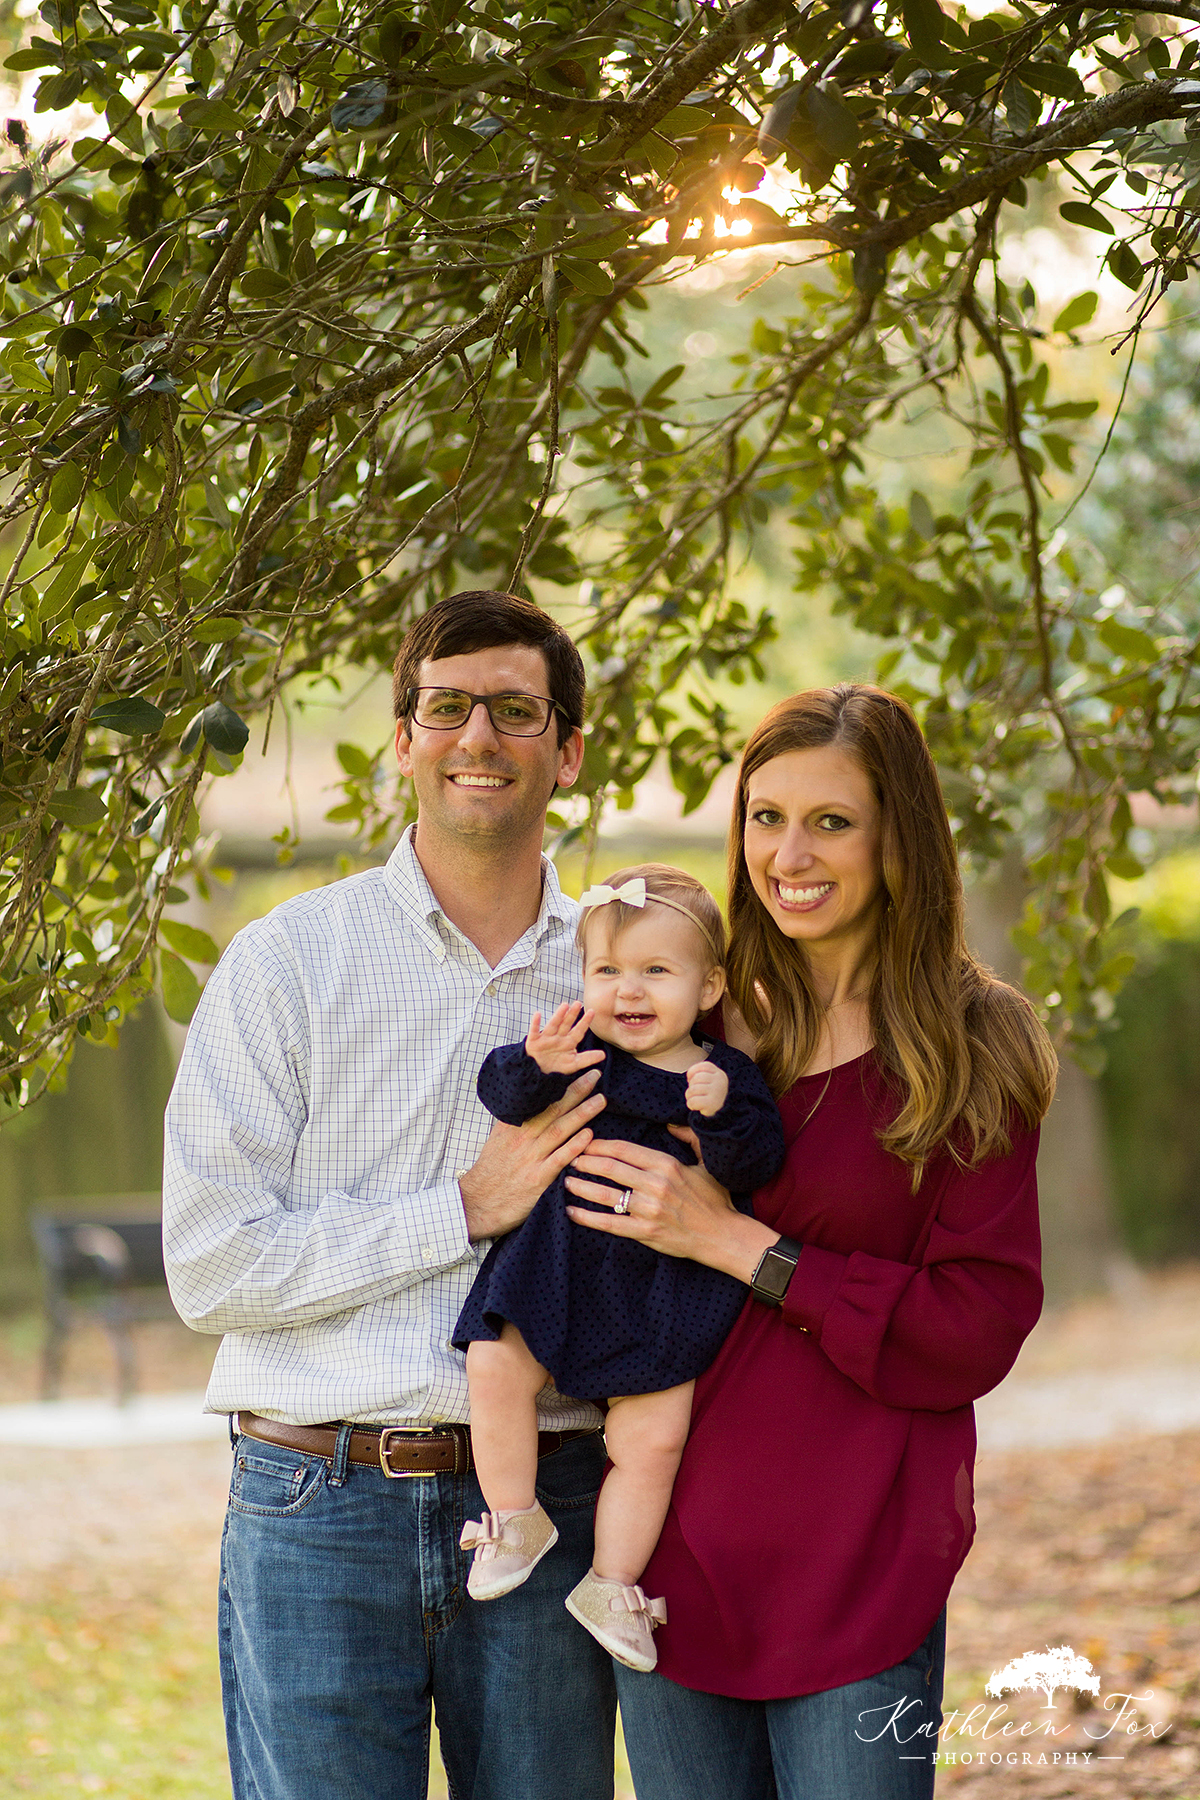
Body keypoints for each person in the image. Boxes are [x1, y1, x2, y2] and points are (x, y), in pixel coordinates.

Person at [162, 590, 620, 1800]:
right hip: (318, 1502)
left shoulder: (625, 976)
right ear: (406, 739)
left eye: (516, 710)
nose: (480, 736)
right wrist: (460, 1208)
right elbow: (209, 1266)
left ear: (568, 751)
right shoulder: (285, 963)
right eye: (448, 706)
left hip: (551, 1497)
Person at [561, 684, 1057, 1800]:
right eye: (766, 817)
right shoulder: (686, 1022)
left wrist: (742, 1246)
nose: (789, 855)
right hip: (667, 1561)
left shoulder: (973, 1046)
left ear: (898, 839)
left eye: (831, 821)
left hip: (860, 1561)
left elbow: (975, 1326)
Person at [451, 865, 785, 1672]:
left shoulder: (723, 1075)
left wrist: (719, 1111)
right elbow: (501, 1092)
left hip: (664, 1292)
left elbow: (757, 1160)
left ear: (709, 987)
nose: (627, 990)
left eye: (656, 970)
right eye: (607, 970)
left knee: (653, 1440)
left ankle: (611, 1583)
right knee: (495, 1365)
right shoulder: (580, 1049)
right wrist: (534, 1061)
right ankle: (514, 1516)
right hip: (558, 1266)